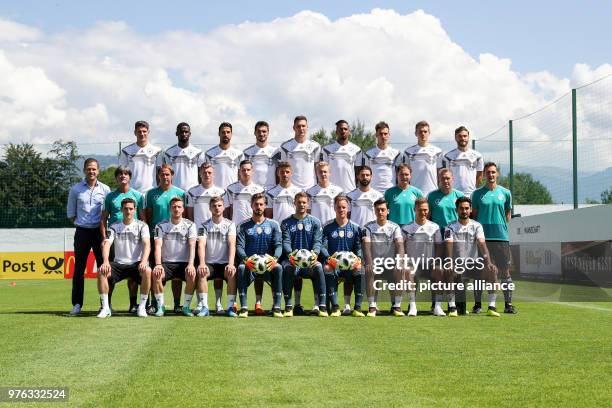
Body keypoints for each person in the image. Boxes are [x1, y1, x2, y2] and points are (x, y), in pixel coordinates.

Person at [471, 162, 516, 314]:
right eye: (487, 172)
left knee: (505, 271)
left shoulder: (506, 193)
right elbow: (475, 216)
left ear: (497, 174)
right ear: (483, 175)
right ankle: (478, 305)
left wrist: (499, 227)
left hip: (501, 238)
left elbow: (507, 214)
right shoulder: (477, 194)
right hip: (483, 239)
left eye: (493, 172)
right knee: (481, 271)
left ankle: (508, 305)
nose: (490, 175)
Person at [66, 158, 110, 315]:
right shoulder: (75, 189)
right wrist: (82, 223)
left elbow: (108, 213)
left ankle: (105, 305)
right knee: (79, 269)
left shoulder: (105, 189)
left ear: (98, 171)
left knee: (104, 268)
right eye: (88, 169)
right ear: (84, 170)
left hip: (99, 233)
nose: (91, 171)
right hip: (82, 232)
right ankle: (77, 304)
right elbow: (71, 213)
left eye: (94, 169)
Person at [96, 198, 151, 318]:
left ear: (135, 210)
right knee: (101, 270)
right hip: (119, 264)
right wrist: (105, 261)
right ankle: (105, 308)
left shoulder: (142, 226)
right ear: (121, 210)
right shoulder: (114, 226)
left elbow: (147, 244)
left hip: (136, 263)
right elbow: (106, 244)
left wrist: (144, 261)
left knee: (148, 270)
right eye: (125, 209)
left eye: (131, 209)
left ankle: (141, 307)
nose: (128, 211)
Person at [100, 165, 144, 313]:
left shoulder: (138, 196)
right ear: (116, 178)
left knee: (134, 273)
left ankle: (133, 304)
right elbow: (104, 219)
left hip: (134, 239)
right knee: (109, 271)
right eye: (120, 174)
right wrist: (104, 238)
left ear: (130, 177)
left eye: (126, 174)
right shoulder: (110, 197)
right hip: (115, 239)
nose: (123, 176)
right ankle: (107, 305)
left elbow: (143, 218)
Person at [445, 197, 499, 317]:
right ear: (456, 210)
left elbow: (481, 243)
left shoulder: (477, 226)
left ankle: (491, 307)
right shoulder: (450, 227)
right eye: (461, 208)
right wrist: (449, 261)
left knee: (492, 271)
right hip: (457, 265)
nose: (464, 211)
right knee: (448, 272)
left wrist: (489, 262)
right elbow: (448, 245)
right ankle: (452, 307)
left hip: (473, 264)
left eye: (466, 208)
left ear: (470, 210)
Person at [185, 163, 227, 312]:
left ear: (213, 174)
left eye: (209, 172)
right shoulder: (192, 192)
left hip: (217, 234)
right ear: (200, 174)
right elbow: (189, 216)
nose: (207, 175)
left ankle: (218, 303)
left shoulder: (221, 192)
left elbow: (224, 214)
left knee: (217, 271)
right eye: (204, 172)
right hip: (198, 237)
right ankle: (201, 303)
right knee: (200, 270)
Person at [145, 164, 186, 314]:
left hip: (176, 237)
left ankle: (177, 304)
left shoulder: (180, 193)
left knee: (175, 275)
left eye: (167, 174)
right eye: (162, 174)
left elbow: (184, 214)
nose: (165, 177)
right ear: (158, 176)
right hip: (156, 238)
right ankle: (155, 304)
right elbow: (148, 215)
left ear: (172, 175)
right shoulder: (150, 194)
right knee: (155, 270)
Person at [236, 193, 284, 318]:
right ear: (251, 205)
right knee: (241, 268)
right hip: (250, 262)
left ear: (265, 206)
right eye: (256, 204)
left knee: (278, 267)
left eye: (261, 204)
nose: (258, 207)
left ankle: (277, 307)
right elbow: (240, 246)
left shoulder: (274, 225)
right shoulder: (243, 226)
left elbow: (279, 245)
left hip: (268, 262)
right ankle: (244, 307)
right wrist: (246, 260)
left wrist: (275, 259)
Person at [281, 192, 328, 317]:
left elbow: (318, 241)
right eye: (299, 202)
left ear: (308, 204)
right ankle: (289, 306)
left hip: (310, 260)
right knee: (288, 268)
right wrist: (291, 256)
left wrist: (315, 254)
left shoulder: (315, 222)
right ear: (294, 203)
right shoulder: (286, 222)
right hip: (292, 260)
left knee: (318, 267)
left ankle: (321, 306)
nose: (301, 205)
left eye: (304, 202)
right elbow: (286, 242)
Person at [151, 197, 197, 317]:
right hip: (167, 263)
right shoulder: (160, 226)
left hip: (184, 262)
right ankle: (161, 306)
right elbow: (158, 246)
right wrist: (158, 264)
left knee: (192, 275)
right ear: (169, 209)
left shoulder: (190, 225)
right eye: (174, 207)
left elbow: (192, 246)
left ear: (183, 209)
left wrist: (191, 264)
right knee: (156, 274)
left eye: (179, 207)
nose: (176, 209)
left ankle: (186, 307)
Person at [426, 168, 464, 312]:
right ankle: (435, 303)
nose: (446, 181)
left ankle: (455, 304)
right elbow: (428, 219)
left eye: (448, 178)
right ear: (438, 180)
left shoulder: (459, 196)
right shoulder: (432, 196)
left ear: (452, 179)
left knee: (456, 272)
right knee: (437, 272)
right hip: (437, 242)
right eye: (443, 178)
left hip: (455, 242)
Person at [321, 196, 364, 317]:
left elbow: (358, 247)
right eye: (339, 207)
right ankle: (335, 307)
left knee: (360, 268)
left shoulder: (355, 228)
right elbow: (323, 247)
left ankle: (357, 308)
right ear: (334, 208)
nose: (341, 210)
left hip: (350, 264)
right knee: (327, 268)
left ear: (348, 208)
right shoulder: (327, 227)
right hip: (334, 264)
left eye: (344, 207)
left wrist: (358, 259)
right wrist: (329, 259)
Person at [196, 196, 238, 317]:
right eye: (214, 206)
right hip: (210, 263)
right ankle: (205, 307)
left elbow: (231, 244)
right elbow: (201, 245)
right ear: (210, 208)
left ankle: (230, 308)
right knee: (202, 272)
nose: (217, 208)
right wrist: (202, 263)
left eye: (219, 205)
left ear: (223, 207)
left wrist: (231, 263)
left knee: (232, 273)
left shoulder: (230, 224)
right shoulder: (203, 226)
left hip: (225, 262)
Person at [362, 199, 404, 317]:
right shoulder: (368, 227)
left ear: (388, 211)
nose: (380, 212)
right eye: (378, 210)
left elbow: (400, 245)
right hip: (375, 264)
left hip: (390, 264)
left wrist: (399, 262)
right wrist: (369, 263)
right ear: (374, 211)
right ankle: (372, 307)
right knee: (369, 270)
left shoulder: (395, 227)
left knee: (400, 269)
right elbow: (366, 246)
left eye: (383, 210)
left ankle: (397, 306)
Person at [402, 198, 443, 316]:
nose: (423, 213)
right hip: (413, 264)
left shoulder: (434, 227)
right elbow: (401, 247)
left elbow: (439, 247)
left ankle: (437, 306)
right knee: (408, 271)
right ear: (414, 209)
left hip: (430, 264)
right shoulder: (406, 228)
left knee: (439, 270)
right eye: (420, 210)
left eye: (425, 210)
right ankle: (413, 307)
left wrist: (436, 261)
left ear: (428, 210)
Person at [357, 121, 402, 193]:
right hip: (373, 192)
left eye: (385, 134)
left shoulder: (396, 153)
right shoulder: (368, 153)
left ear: (389, 135)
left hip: (391, 191)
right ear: (376, 135)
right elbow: (364, 174)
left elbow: (399, 175)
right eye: (380, 134)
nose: (383, 136)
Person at [119, 120, 163, 193]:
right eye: (139, 131)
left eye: (144, 131)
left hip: (152, 192)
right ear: (135, 133)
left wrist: (159, 190)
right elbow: (122, 173)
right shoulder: (126, 151)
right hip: (132, 192)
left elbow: (160, 173)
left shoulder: (157, 151)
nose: (142, 134)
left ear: (148, 132)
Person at [402, 120, 443, 196]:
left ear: (429, 133)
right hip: (413, 192)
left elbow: (440, 173)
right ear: (416, 133)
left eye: (425, 131)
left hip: (433, 191)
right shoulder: (408, 152)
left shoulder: (438, 151)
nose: (423, 134)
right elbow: (405, 173)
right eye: (420, 132)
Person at [280, 115, 321, 189]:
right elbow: (282, 170)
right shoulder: (285, 146)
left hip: (311, 188)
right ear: (294, 128)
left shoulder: (315, 146)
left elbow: (318, 168)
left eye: (303, 126)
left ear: (307, 127)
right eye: (298, 126)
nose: (301, 128)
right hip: (292, 189)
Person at [321, 120, 361, 192]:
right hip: (331, 191)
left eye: (345, 129)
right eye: (341, 129)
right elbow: (323, 171)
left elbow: (358, 173)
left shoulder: (357, 150)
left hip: (350, 190)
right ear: (336, 132)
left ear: (349, 131)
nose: (343, 131)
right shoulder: (327, 149)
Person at [443, 126, 484, 196]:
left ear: (468, 137)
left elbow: (480, 175)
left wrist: (473, 188)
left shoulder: (478, 156)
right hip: (454, 194)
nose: (463, 138)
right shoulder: (448, 156)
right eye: (460, 136)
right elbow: (445, 176)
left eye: (465, 136)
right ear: (456, 138)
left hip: (471, 194)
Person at [163, 122, 204, 191]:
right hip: (174, 191)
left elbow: (201, 174)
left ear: (190, 134)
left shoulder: (198, 152)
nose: (184, 134)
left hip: (193, 191)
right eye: (181, 132)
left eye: (186, 132)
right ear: (176, 133)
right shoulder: (168, 153)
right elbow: (167, 174)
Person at [203, 122, 245, 188]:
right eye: (223, 132)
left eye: (228, 132)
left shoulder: (239, 154)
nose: (225, 134)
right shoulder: (209, 154)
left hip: (232, 192)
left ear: (231, 134)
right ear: (219, 134)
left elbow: (241, 175)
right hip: (215, 193)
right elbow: (205, 174)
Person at [226, 160, 265, 227]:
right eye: (243, 170)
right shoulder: (231, 188)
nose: (246, 172)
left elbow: (263, 210)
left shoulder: (260, 190)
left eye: (248, 170)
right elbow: (229, 210)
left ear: (252, 171)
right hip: (237, 227)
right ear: (239, 172)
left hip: (254, 227)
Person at [243, 121, 281, 189]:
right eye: (259, 131)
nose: (261, 134)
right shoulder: (247, 152)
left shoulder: (276, 152)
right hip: (254, 192)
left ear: (268, 132)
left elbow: (279, 173)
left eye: (264, 131)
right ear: (255, 133)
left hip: (271, 191)